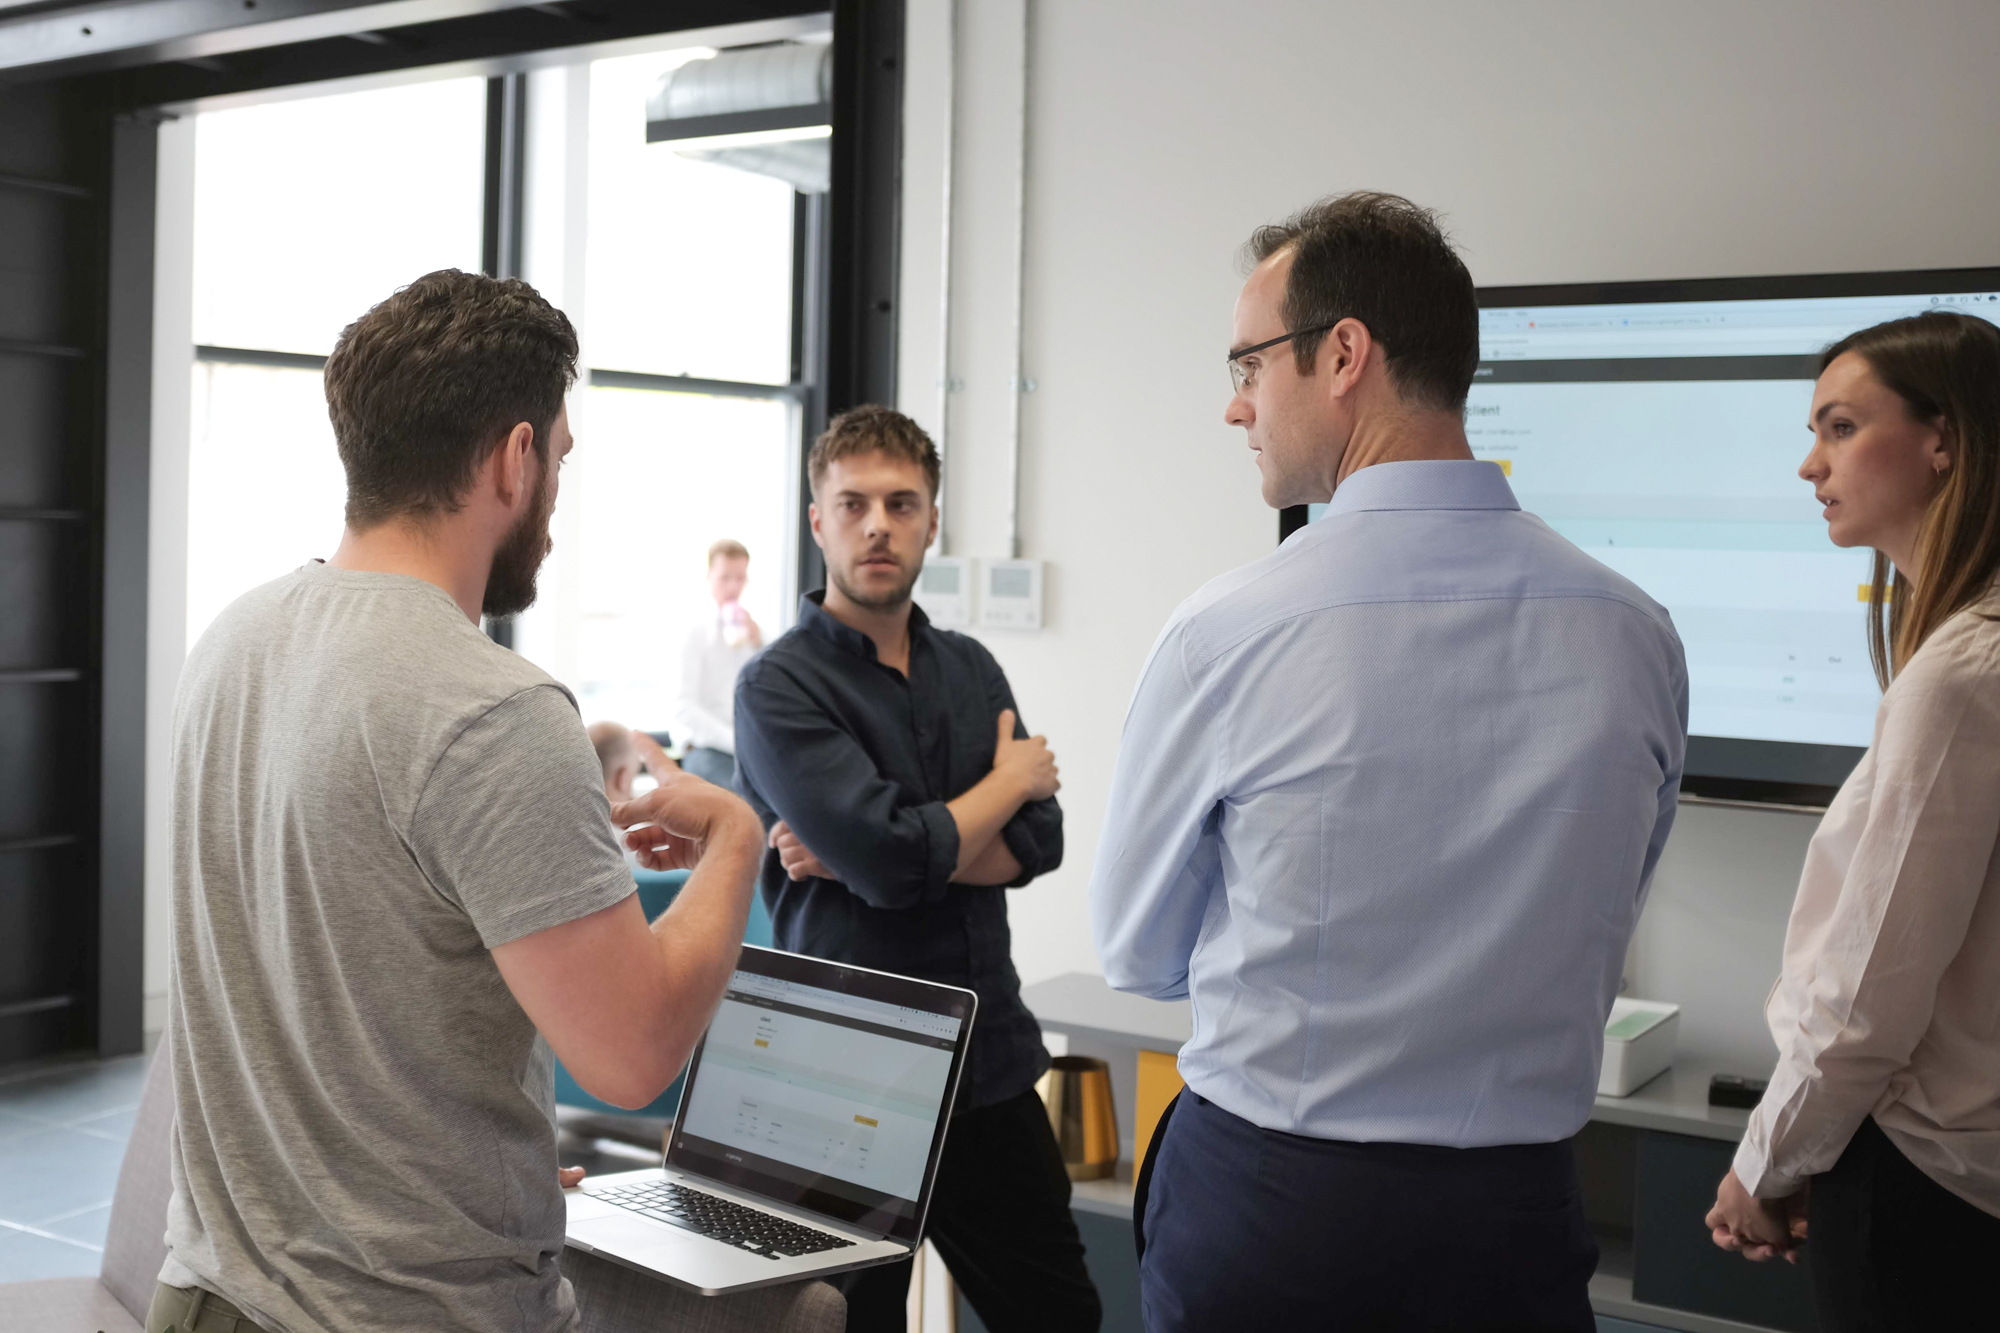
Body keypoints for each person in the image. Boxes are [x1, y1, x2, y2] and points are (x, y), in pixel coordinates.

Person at [1089, 193, 1689, 1332]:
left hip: (1275, 1210)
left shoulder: (1227, 629)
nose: (1234, 405)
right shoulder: (1634, 631)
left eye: (1247, 364)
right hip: (1518, 1216)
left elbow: (1134, 947)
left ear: (1343, 355)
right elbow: (1603, 907)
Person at [157, 269, 764, 1333]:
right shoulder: (490, 710)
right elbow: (629, 1052)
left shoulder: (235, 642)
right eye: (560, 459)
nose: (557, 496)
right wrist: (736, 841)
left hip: (214, 1293)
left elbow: (367, 823)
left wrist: (597, 748)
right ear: (514, 457)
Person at [730, 405, 1101, 1333]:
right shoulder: (778, 685)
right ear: (817, 520)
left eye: (902, 503)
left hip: (991, 1068)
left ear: (933, 519)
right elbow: (898, 859)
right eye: (852, 504)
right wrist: (1000, 785)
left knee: (1061, 1317)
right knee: (845, 1327)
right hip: (841, 1084)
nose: (877, 525)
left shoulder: (971, 669)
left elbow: (1037, 841)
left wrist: (883, 848)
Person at [1704, 310, 2000, 1328]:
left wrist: (1764, 1162)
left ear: (1942, 440)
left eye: (1836, 427)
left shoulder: (1960, 678)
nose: (1806, 464)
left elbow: (1865, 991)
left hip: (1917, 1183)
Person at [677, 538, 762, 785]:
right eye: (725, 577)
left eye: (740, 578)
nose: (734, 586)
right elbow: (682, 706)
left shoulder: (754, 631)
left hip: (746, 748)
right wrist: (735, 740)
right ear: (709, 576)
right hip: (706, 749)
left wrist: (760, 645)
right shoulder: (692, 631)